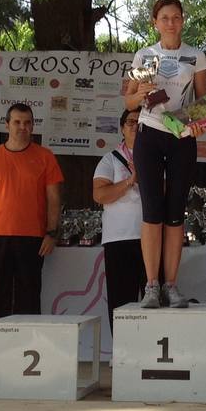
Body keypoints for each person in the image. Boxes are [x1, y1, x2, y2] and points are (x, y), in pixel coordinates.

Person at [122, 0, 206, 309]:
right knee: (152, 211)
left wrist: (198, 123)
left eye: (176, 17)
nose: (171, 23)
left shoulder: (196, 56)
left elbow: (202, 101)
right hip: (149, 135)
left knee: (174, 212)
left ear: (182, 20)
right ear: (155, 23)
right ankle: (151, 285)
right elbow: (128, 101)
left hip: (181, 137)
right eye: (164, 18)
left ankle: (171, 285)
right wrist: (141, 93)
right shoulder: (144, 55)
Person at [0, 103, 63, 369]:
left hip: (32, 238)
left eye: (27, 122)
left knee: (28, 297)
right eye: (17, 122)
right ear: (7, 124)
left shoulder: (45, 157)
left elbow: (54, 199)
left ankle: (27, 351)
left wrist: (51, 233)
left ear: (33, 126)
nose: (23, 127)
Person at [93, 107, 146, 324]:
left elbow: (167, 192)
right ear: (122, 128)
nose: (135, 126)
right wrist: (129, 182)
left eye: (140, 123)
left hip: (151, 238)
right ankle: (121, 345)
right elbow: (99, 195)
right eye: (130, 122)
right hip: (119, 238)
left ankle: (155, 345)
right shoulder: (110, 159)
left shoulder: (157, 158)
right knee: (121, 302)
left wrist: (145, 178)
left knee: (156, 303)